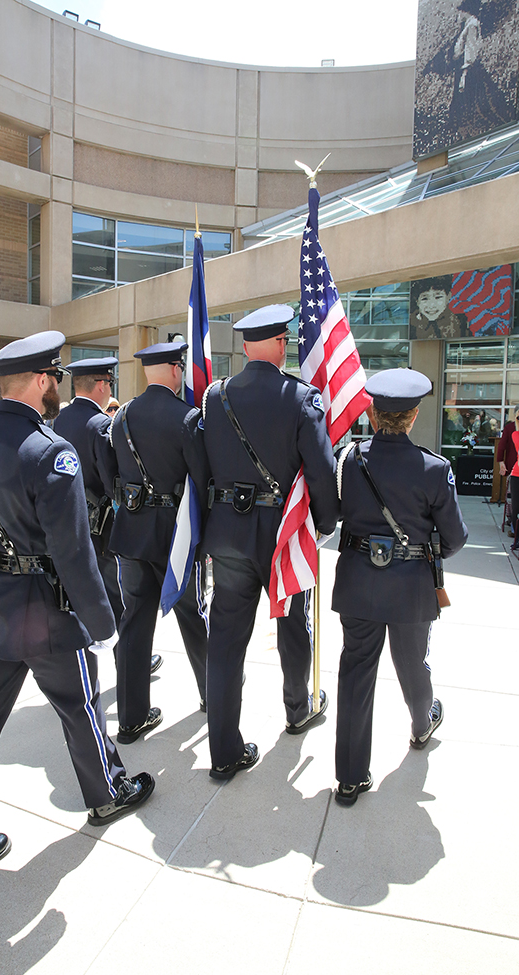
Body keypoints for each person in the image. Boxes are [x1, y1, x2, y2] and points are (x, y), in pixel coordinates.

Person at [0, 331, 154, 893]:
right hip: (46, 613)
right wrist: (102, 625)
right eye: (54, 378)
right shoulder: (51, 451)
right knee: (80, 708)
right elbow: (73, 550)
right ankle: (106, 795)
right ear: (46, 380)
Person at [201, 305, 339, 780]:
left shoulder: (214, 397)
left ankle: (223, 752)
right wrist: (324, 523)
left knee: (225, 644)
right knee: (293, 626)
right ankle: (298, 709)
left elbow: (202, 466)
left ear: (244, 347)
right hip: (282, 534)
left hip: (228, 535)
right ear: (282, 344)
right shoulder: (302, 398)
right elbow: (321, 469)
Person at [332, 368, 468, 806]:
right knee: (412, 666)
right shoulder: (433, 467)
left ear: (373, 415)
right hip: (410, 586)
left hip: (357, 582)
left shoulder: (348, 460)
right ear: (411, 417)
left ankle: (350, 777)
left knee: (355, 675)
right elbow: (456, 538)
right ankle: (422, 724)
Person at [107, 341, 209, 743]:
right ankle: (212, 696)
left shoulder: (121, 417)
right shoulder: (187, 418)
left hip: (132, 532)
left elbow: (114, 471)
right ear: (173, 369)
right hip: (174, 535)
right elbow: (201, 478)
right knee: (193, 617)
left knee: (134, 623)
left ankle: (131, 718)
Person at [53, 358, 162, 674]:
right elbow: (113, 478)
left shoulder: (59, 421)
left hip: (69, 523)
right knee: (119, 598)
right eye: (109, 383)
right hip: (102, 527)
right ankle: (129, 662)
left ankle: (81, 661)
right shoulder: (100, 424)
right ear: (101, 385)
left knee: (78, 595)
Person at [409, 277, 471, 341]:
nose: (431, 305)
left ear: (448, 297)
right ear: (417, 301)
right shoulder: (410, 325)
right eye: (424, 299)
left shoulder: (461, 322)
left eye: (438, 297)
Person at [497, 406, 519, 539]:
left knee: (513, 498)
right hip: (514, 468)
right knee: (513, 498)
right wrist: (501, 462)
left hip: (513, 467)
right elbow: (502, 445)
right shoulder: (511, 429)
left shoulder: (510, 428)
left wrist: (501, 462)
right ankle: (513, 524)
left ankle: (512, 522)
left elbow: (502, 446)